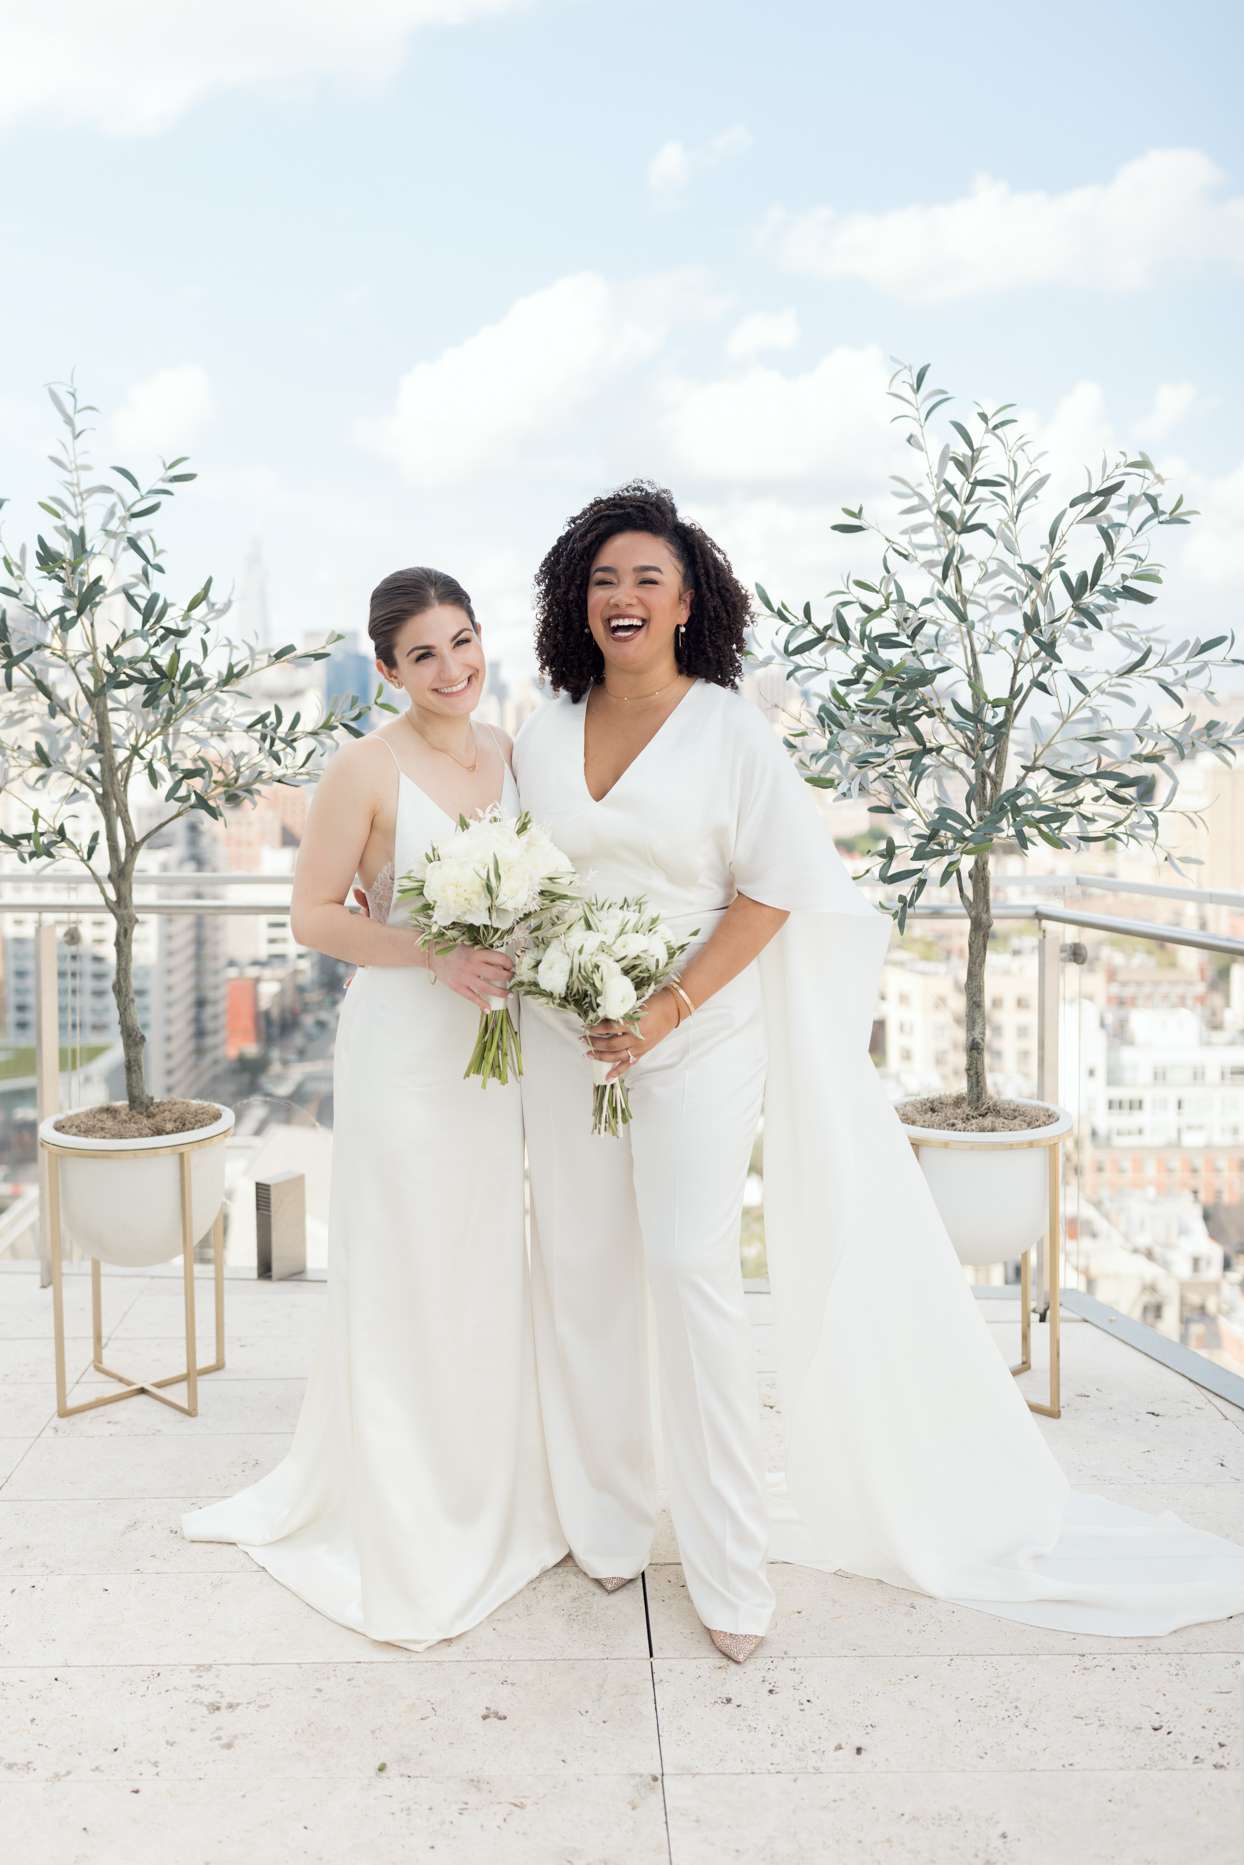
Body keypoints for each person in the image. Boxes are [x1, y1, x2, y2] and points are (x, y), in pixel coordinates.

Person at [513, 480, 1244, 1663]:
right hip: (566, 1038)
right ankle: (606, 1519)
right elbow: (518, 864)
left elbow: (771, 891)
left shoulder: (731, 729)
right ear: (574, 600)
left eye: (647, 576)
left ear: (690, 599)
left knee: (687, 1269)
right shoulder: (542, 729)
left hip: (693, 1030)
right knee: (584, 1269)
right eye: (602, 578)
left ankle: (727, 1564)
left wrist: (662, 1005)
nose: (623, 596)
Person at [182, 567, 566, 1648]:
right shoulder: (362, 765)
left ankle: (493, 1484)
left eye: (462, 642)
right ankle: (405, 1510)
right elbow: (312, 916)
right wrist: (430, 953)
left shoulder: (512, 751)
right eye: (424, 656)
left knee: (482, 1255)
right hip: (404, 1040)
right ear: (389, 671)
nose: (452, 670)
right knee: (406, 1260)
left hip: (492, 1046)